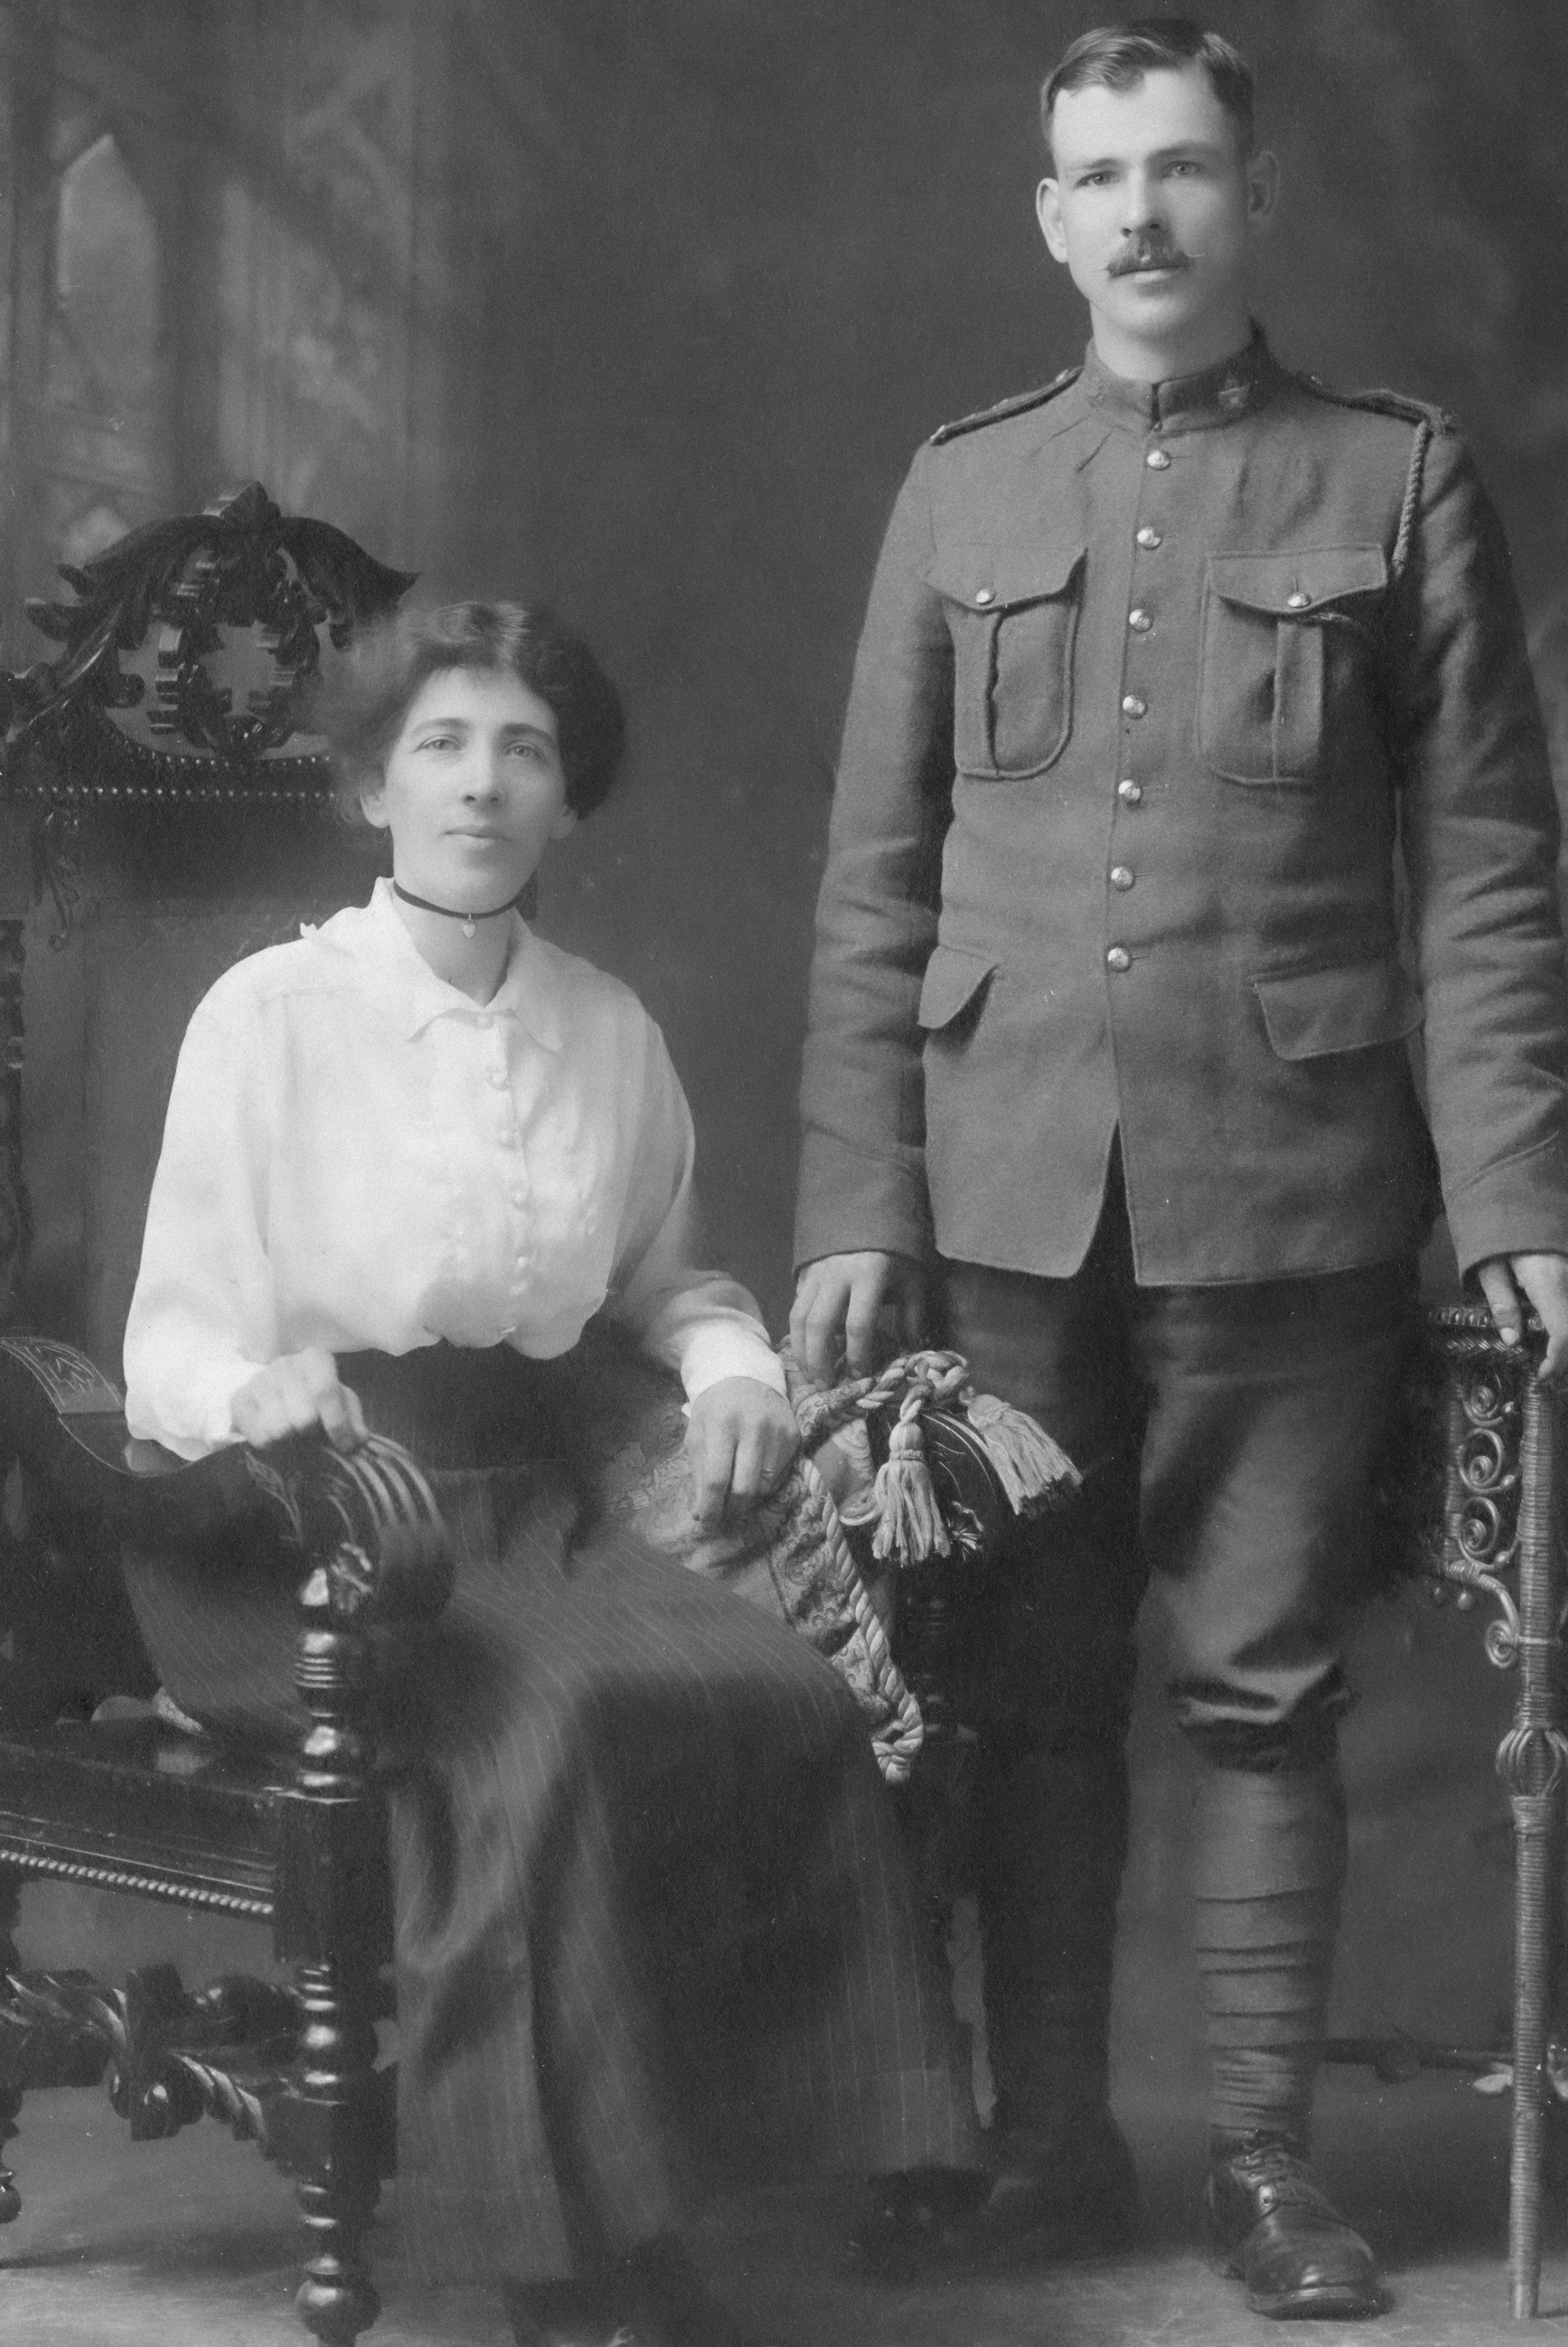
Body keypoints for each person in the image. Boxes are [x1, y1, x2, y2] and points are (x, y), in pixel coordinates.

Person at [790, 16, 1568, 2323]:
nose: (1140, 212)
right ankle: (1046, 2153)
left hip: (1296, 1176)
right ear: (1047, 219)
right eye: (1097, 176)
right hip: (1006, 1187)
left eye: (1184, 168)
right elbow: (870, 875)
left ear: (1255, 198)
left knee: (1257, 1685)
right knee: (1029, 1693)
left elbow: (1491, 876)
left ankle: (1253, 2165)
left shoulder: (1394, 479)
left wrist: (1515, 1197)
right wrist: (857, 1195)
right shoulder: (959, 488)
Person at [122, 601, 978, 2347]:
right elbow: (173, 1345)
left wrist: (734, 1371)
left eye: (524, 749)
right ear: (369, 786)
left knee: (784, 1689)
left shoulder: (604, 1030)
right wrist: (268, 1387)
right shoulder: (269, 1016)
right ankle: (564, 2250)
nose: (482, 783)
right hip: (297, 1525)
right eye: (439, 744)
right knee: (554, 1735)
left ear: (566, 799)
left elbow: (670, 1281)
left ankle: (664, 2190)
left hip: (533, 1495)